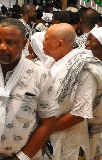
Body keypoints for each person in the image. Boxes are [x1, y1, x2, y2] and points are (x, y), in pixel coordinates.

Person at [0, 18, 59, 159]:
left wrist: (21, 158)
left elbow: (47, 123)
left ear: (23, 43)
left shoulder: (40, 75)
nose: (2, 47)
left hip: (26, 156)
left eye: (10, 42)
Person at [43, 23, 102, 160]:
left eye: (46, 39)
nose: (42, 42)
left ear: (59, 44)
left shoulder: (84, 70)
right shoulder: (50, 63)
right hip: (47, 137)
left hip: (68, 140)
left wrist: (44, 130)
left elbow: (78, 114)